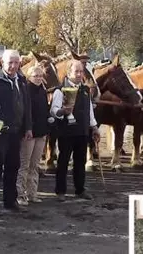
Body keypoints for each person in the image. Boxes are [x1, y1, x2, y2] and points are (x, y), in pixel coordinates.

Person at [0, 49, 32, 214]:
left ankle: (10, 201)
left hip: (16, 132)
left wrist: (28, 127)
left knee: (14, 165)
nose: (13, 66)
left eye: (16, 62)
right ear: (2, 63)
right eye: (10, 62)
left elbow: (26, 106)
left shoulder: (22, 80)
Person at [50, 59, 100, 202]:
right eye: (76, 71)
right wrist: (62, 111)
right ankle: (60, 191)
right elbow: (53, 111)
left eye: (81, 71)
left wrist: (94, 127)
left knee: (80, 161)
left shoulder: (85, 89)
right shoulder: (60, 90)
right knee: (63, 161)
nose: (79, 74)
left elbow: (89, 110)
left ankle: (80, 189)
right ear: (69, 72)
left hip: (82, 131)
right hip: (66, 132)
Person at [17, 65, 50, 206]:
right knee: (24, 164)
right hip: (29, 133)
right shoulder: (25, 90)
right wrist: (27, 129)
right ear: (29, 76)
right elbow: (25, 113)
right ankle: (20, 194)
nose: (38, 78)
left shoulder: (43, 90)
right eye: (35, 76)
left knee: (35, 165)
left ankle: (32, 193)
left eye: (40, 75)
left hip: (41, 132)